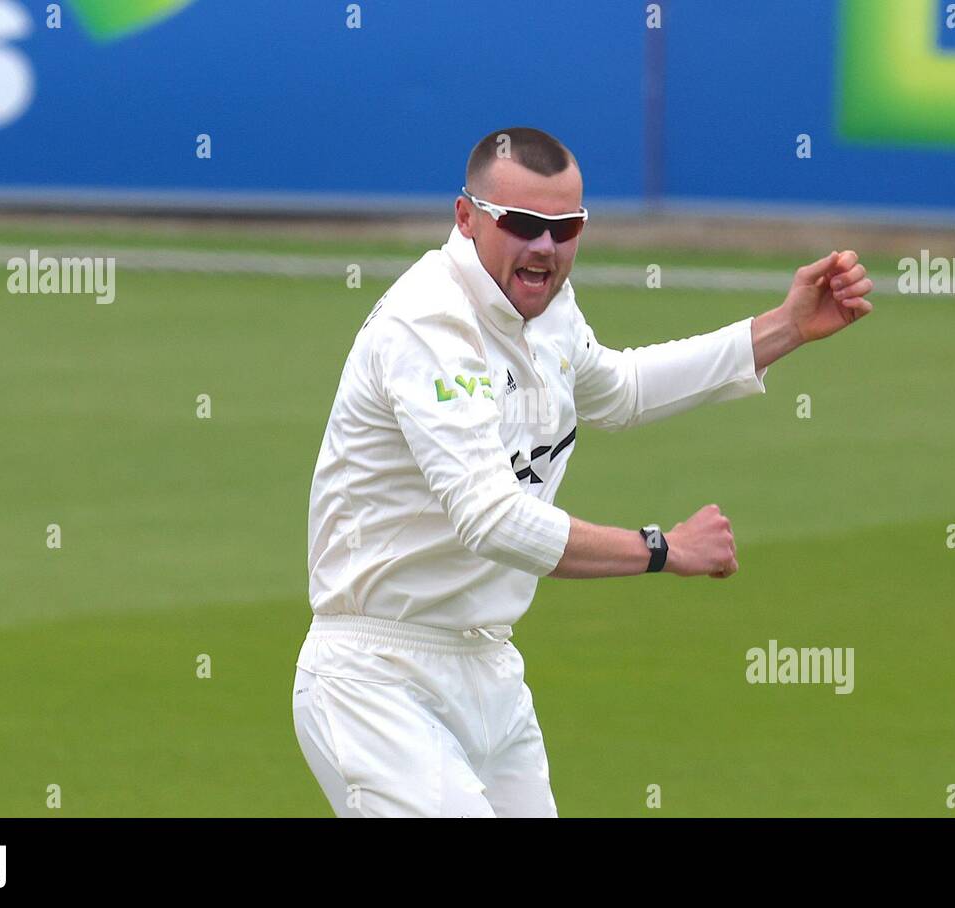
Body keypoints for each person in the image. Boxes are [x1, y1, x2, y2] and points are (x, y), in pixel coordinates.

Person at [293, 126, 874, 817]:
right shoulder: (429, 324)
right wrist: (661, 549)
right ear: (467, 217)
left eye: (565, 228)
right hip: (377, 677)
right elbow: (492, 519)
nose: (545, 246)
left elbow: (620, 389)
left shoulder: (547, 310)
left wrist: (784, 327)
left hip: (491, 671)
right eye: (524, 224)